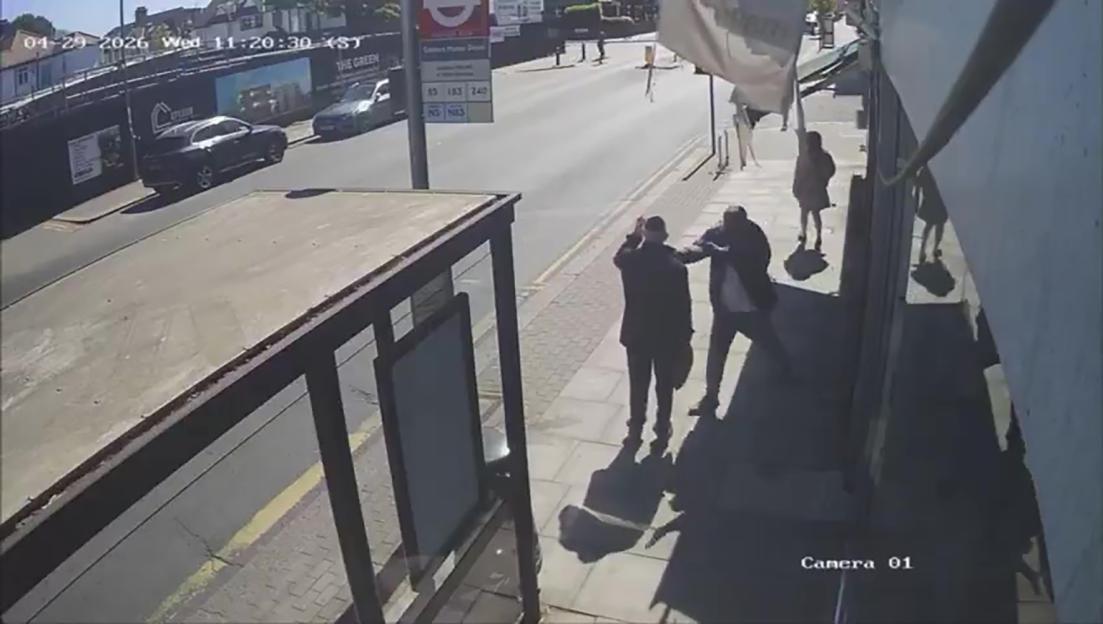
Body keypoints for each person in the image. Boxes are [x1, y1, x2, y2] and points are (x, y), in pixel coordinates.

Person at [677, 206, 794, 417]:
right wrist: (679, 255)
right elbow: (700, 248)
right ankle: (711, 398)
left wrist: (723, 252)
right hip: (725, 310)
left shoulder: (754, 235)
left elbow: (758, 259)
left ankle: (786, 369)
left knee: (769, 342)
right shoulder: (718, 233)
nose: (728, 229)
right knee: (716, 355)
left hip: (751, 308)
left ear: (743, 222)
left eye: (733, 226)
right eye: (726, 224)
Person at [614, 216, 692, 447]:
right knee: (664, 385)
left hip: (637, 335)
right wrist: (685, 339)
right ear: (666, 236)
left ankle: (635, 431)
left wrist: (635, 235)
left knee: (638, 385)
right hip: (666, 338)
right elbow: (683, 307)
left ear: (646, 235)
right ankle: (661, 429)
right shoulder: (676, 267)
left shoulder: (630, 261)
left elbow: (619, 256)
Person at [792, 130, 836, 250]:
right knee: (816, 213)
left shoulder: (803, 156)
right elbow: (831, 170)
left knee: (804, 212)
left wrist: (796, 187)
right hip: (818, 188)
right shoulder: (825, 156)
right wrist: (824, 180)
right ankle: (818, 235)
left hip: (806, 189)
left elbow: (798, 173)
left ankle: (804, 233)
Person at [915, 166, 948, 263]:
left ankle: (923, 250)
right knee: (940, 225)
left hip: (930, 199)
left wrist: (916, 199)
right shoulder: (943, 168)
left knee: (929, 225)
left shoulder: (926, 168)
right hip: (940, 199)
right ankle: (935, 248)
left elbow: (918, 184)